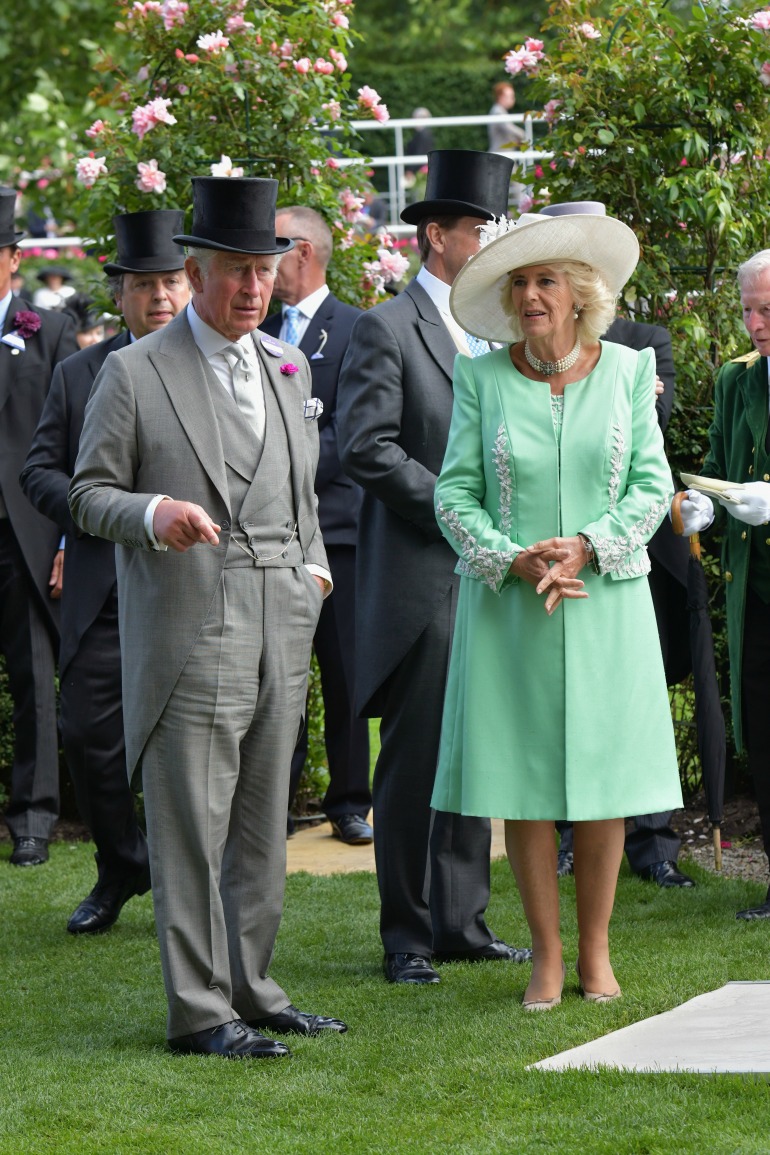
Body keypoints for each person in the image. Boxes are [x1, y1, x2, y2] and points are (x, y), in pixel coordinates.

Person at [69, 177, 346, 1057]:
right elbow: (85, 493)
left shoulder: (289, 364)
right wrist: (154, 514)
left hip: (282, 624)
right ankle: (199, 1011)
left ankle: (254, 990)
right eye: (234, 271)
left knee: (265, 825)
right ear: (192, 272)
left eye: (265, 270)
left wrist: (314, 569)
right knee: (192, 827)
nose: (254, 288)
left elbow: (303, 491)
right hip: (189, 625)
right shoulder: (132, 369)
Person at [432, 209, 682, 1009]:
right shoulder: (481, 378)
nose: (531, 296)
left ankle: (597, 953)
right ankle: (546, 954)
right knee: (529, 784)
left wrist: (588, 542)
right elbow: (453, 492)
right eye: (521, 284)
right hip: (513, 606)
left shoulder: (629, 371)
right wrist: (511, 554)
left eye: (545, 281)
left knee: (603, 781)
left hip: (606, 600)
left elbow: (650, 485)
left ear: (579, 293)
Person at [338, 149, 532, 985]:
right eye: (479, 227)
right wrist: (461, 514)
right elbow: (366, 448)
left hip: (488, 578)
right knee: (416, 761)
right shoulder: (386, 327)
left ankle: (462, 923)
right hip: (424, 580)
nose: (491, 241)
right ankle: (408, 937)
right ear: (435, 237)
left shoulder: (492, 336)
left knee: (477, 752)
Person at [21, 210, 191, 934]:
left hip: (190, 586)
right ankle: (123, 863)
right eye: (144, 285)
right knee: (88, 735)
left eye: (172, 282)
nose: (160, 297)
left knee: (191, 745)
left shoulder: (215, 365)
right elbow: (38, 469)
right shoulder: (78, 373)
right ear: (118, 294)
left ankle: (194, 884)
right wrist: (97, 512)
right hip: (101, 588)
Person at [542, 202, 696, 890]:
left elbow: (650, 425)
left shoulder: (642, 341)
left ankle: (653, 840)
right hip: (550, 550)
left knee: (638, 701)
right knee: (562, 697)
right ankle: (572, 832)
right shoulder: (527, 344)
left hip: (635, 549)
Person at [261, 205, 372, 845]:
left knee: (344, 670)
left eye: (271, 245)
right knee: (277, 671)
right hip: (271, 535)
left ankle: (349, 800)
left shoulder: (354, 329)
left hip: (338, 529)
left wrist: (275, 480)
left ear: (302, 251)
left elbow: (349, 430)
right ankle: (276, 795)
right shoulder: (260, 328)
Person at [675, 249, 770, 921]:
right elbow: (713, 465)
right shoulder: (738, 381)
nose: (756, 323)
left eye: (768, 309)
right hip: (756, 594)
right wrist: (699, 504)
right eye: (748, 310)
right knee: (763, 733)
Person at [0, 185, 78, 867]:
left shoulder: (45, 330)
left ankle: (34, 815)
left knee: (33, 678)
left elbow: (67, 447)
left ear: (13, 258)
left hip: (23, 535)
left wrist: (62, 539)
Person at [487, 82, 526, 154]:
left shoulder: (499, 110)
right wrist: (524, 135)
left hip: (503, 154)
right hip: (501, 155)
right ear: (500, 97)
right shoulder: (498, 112)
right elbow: (510, 128)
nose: (512, 99)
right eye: (510, 96)